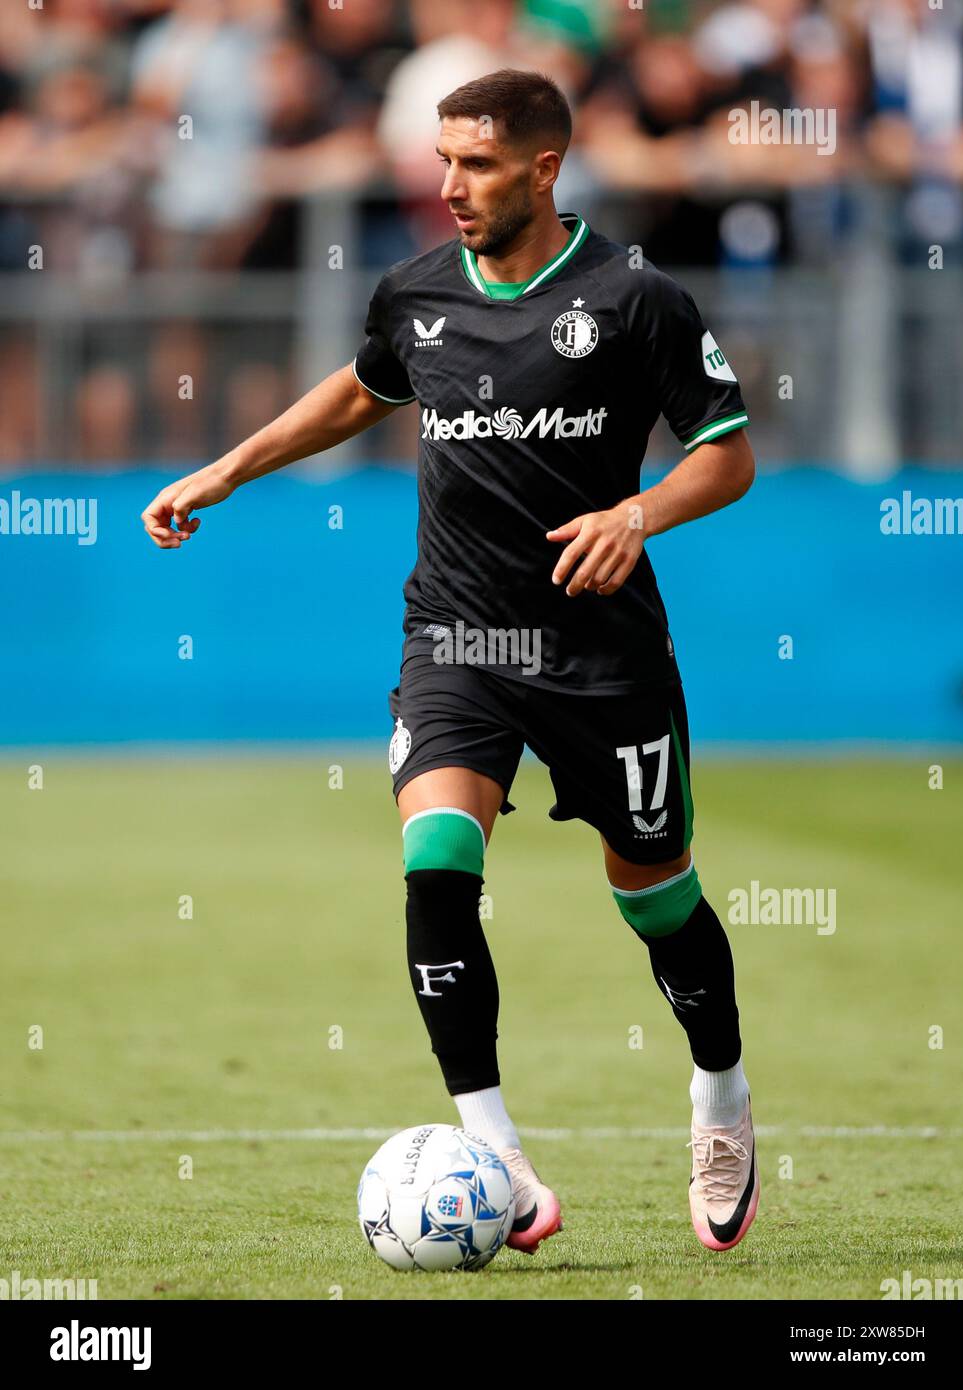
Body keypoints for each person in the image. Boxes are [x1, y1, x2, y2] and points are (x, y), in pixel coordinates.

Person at [141, 67, 759, 1257]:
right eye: (441, 160)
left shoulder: (636, 298)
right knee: (435, 862)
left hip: (602, 653)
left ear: (543, 167)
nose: (448, 185)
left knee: (659, 899)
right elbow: (361, 391)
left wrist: (640, 515)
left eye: (474, 165)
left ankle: (721, 1095)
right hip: (457, 639)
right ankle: (499, 1156)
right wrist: (229, 467)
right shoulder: (416, 290)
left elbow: (727, 452)